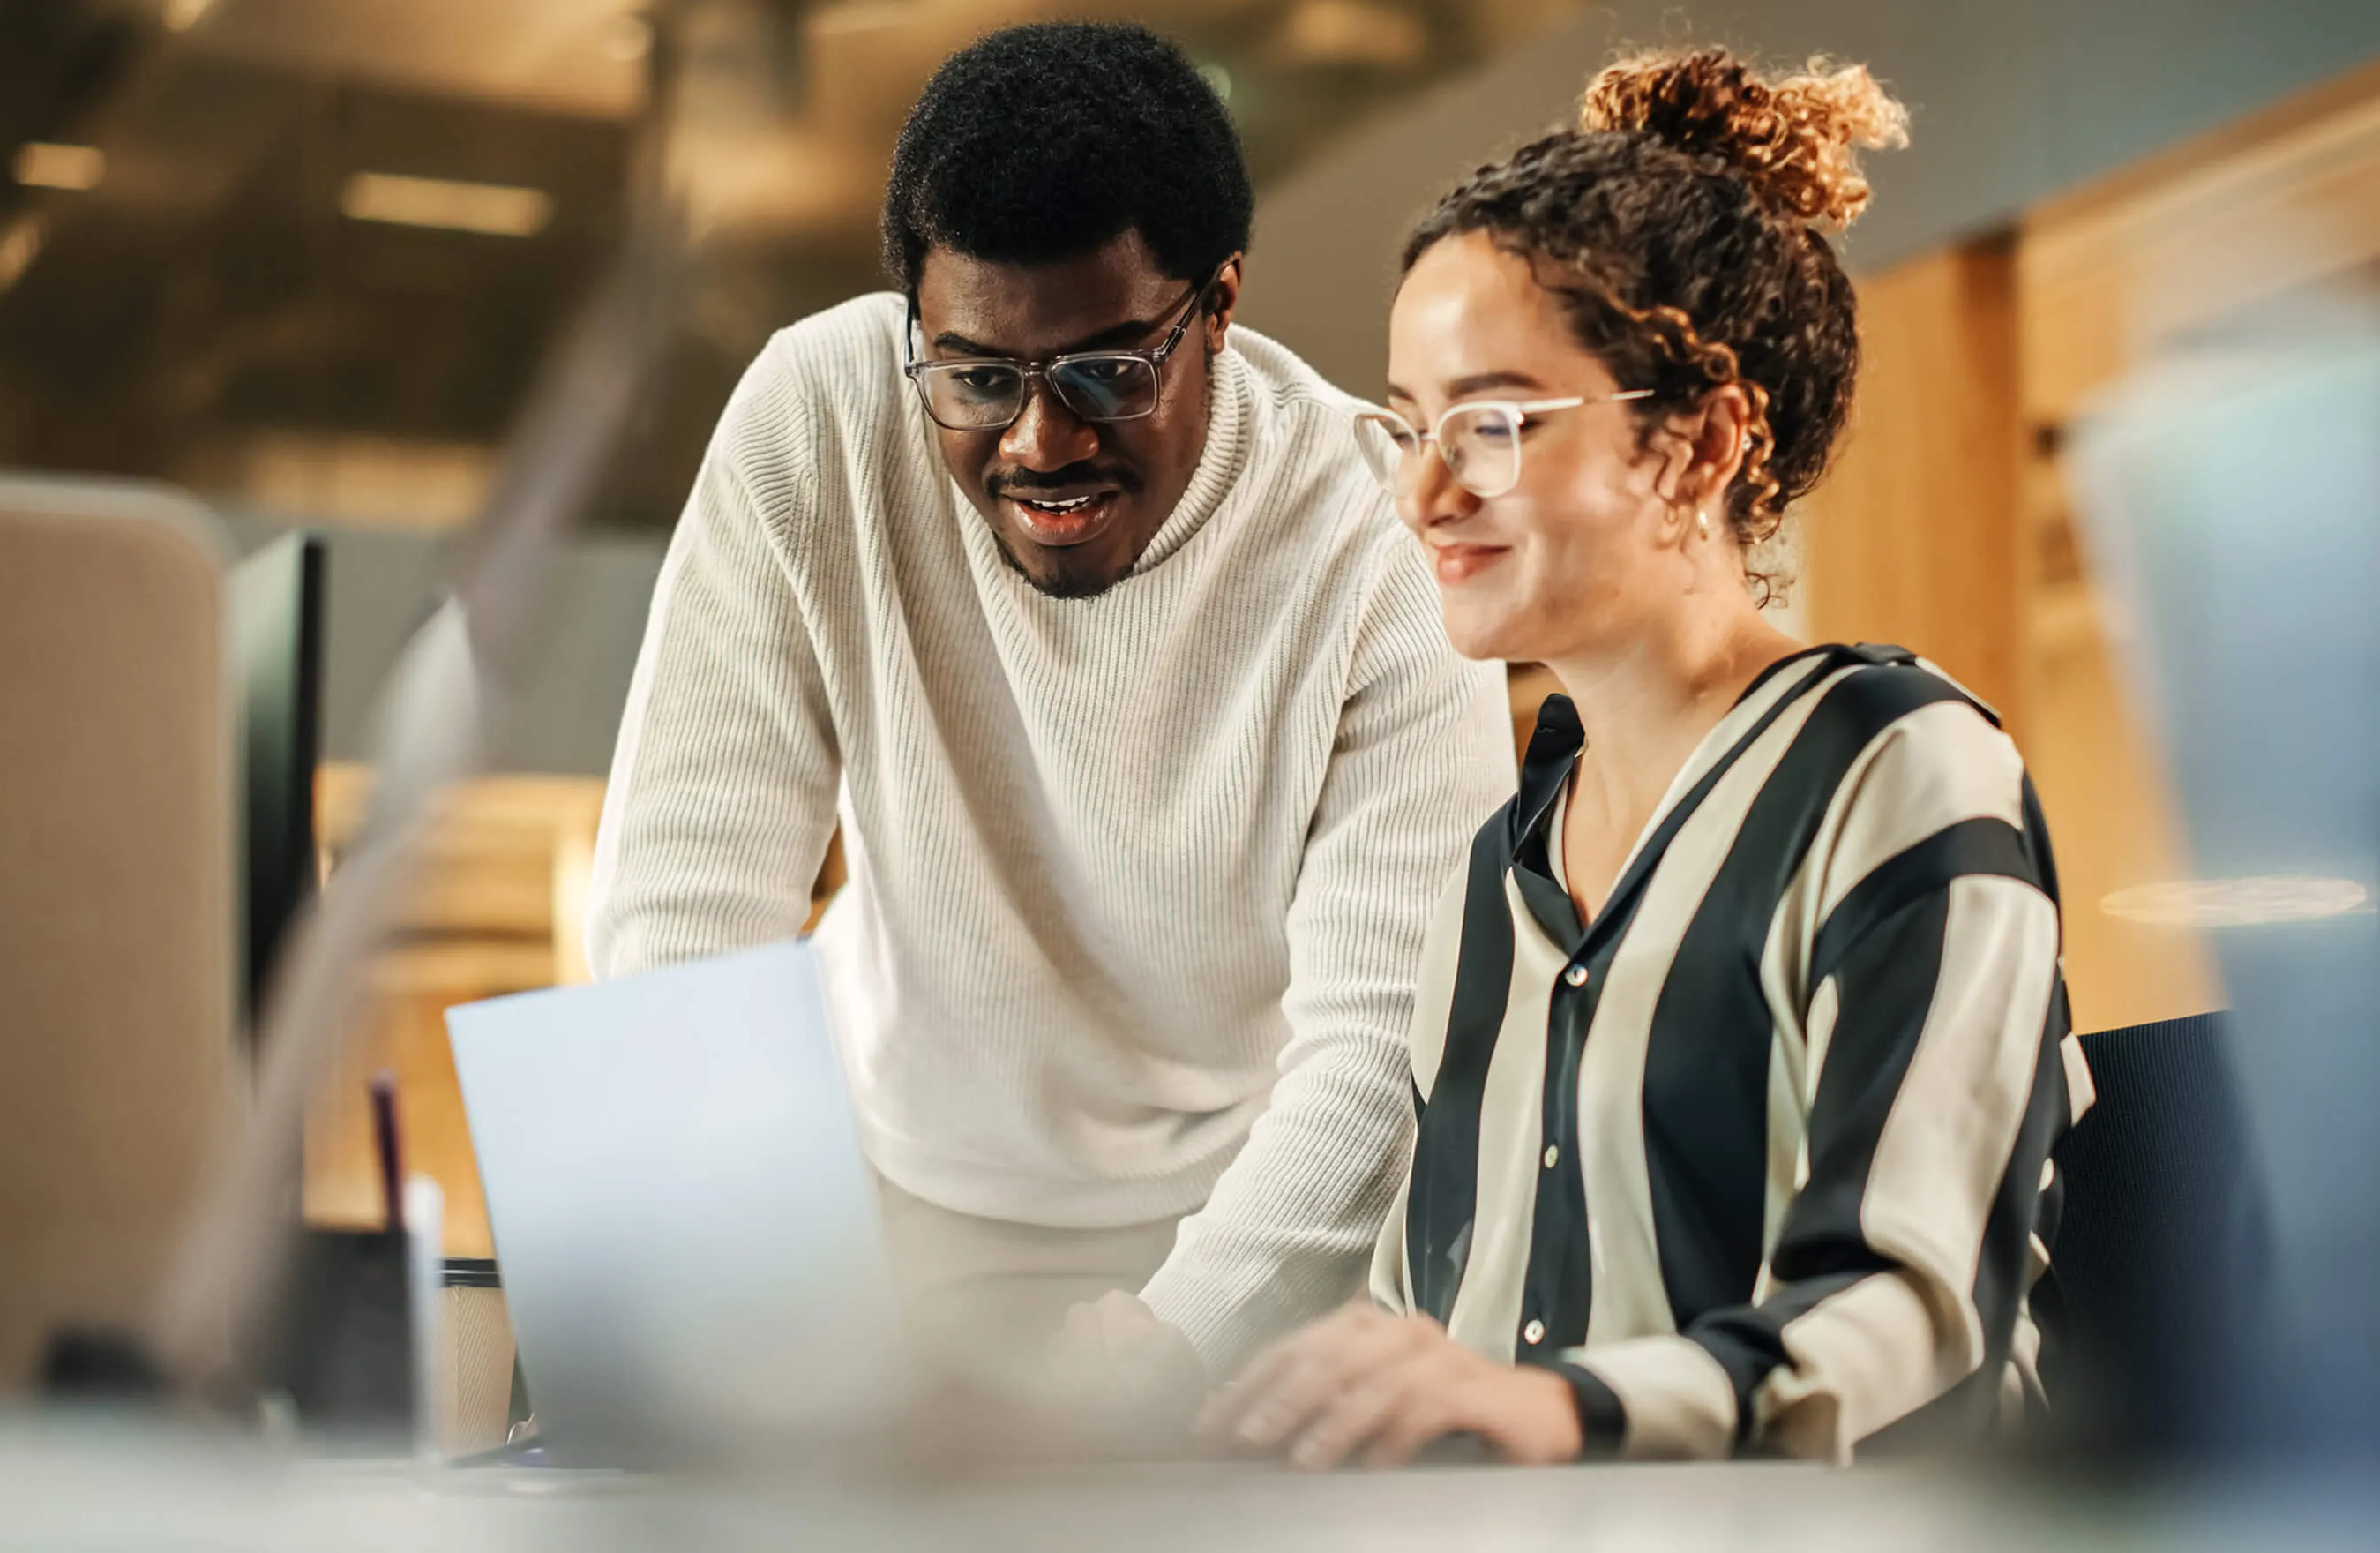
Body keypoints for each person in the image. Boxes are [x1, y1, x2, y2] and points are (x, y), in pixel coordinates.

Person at [586, 22, 1516, 1391]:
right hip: (890, 1197)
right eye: (976, 377)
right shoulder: (818, 419)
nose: (1038, 443)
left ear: (1220, 305)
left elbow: (1385, 1042)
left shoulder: (1372, 535)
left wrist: (1170, 1345)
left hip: (1249, 1232)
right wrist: (749, 1317)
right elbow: (683, 910)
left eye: (1106, 372)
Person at [1200, 47, 2094, 1466]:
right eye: (1409, 427)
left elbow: (1917, 1315)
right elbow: (1426, 1331)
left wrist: (1561, 1413)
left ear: (1700, 446)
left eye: (1490, 423)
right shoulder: (1490, 881)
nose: (1424, 492)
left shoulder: (1894, 768)